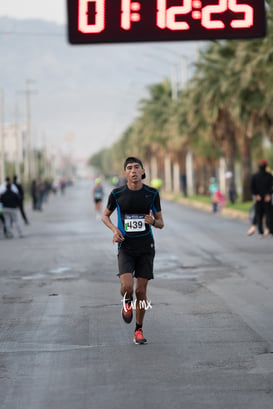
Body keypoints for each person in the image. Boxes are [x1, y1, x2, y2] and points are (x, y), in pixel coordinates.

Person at [102, 157, 164, 345]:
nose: (133, 171)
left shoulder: (152, 193)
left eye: (137, 167)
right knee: (128, 288)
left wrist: (152, 221)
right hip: (126, 247)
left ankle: (138, 330)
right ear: (125, 173)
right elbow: (105, 216)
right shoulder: (117, 194)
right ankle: (126, 302)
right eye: (129, 168)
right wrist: (115, 230)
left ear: (143, 171)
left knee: (142, 292)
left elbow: (161, 223)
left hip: (146, 247)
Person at [249, 159, 273, 236]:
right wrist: (268, 194)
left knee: (259, 214)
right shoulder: (269, 176)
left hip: (259, 198)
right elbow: (271, 187)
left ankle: (260, 230)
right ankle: (267, 229)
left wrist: (256, 195)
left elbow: (252, 187)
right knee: (268, 214)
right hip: (267, 198)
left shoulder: (255, 176)